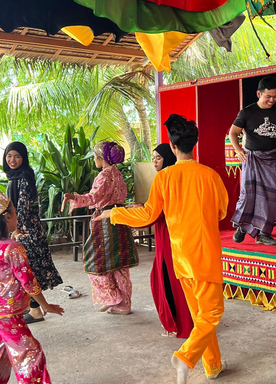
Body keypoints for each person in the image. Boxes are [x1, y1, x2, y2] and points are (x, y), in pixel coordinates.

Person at [98, 114, 229, 384]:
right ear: (194, 144)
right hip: (205, 256)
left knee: (200, 315)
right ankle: (185, 356)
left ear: (172, 146)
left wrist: (114, 213)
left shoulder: (164, 178)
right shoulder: (210, 175)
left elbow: (147, 215)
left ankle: (213, 364)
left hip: (181, 258)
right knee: (212, 313)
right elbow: (221, 212)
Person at [0, 193, 64, 384]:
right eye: (15, 213)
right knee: (31, 352)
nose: (17, 217)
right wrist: (45, 306)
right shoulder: (13, 248)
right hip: (8, 312)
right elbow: (28, 281)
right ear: (6, 217)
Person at [63, 141, 138, 314]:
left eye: (95, 157)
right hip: (120, 219)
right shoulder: (118, 174)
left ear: (100, 158)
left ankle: (113, 298)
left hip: (105, 222)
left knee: (96, 262)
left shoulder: (104, 176)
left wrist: (74, 197)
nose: (94, 160)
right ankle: (122, 303)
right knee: (120, 264)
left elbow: (93, 197)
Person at [229, 76, 276, 246]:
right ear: (259, 94)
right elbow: (233, 133)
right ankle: (243, 226)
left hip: (272, 159)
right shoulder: (247, 112)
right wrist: (238, 150)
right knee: (247, 196)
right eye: (268, 96)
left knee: (270, 197)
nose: (272, 100)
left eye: (275, 96)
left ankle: (264, 234)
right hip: (252, 159)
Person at [3, 142, 63, 323]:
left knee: (28, 269)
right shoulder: (15, 177)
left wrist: (17, 230)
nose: (12, 160)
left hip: (26, 231)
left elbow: (23, 207)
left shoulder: (23, 178)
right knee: (26, 269)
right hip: (22, 229)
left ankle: (36, 310)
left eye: (17, 156)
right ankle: (32, 307)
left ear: (24, 158)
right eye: (9, 156)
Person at [150, 143, 194, 338]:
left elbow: (156, 212)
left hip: (169, 233)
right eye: (153, 158)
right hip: (178, 231)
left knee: (171, 279)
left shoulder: (164, 178)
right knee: (169, 277)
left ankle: (181, 323)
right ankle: (185, 321)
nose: (154, 162)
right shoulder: (181, 175)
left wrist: (126, 213)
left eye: (158, 158)